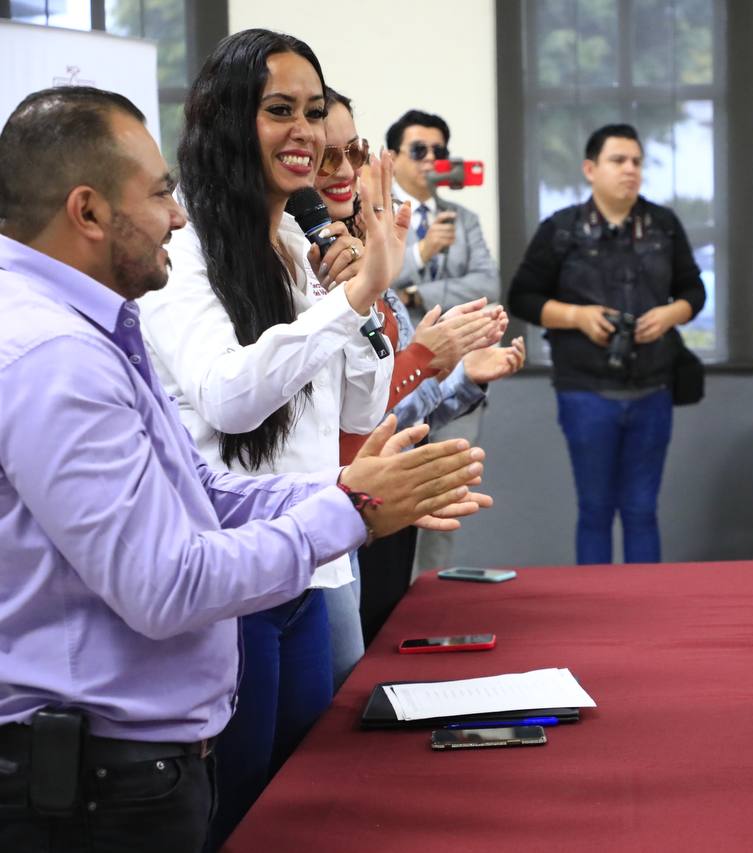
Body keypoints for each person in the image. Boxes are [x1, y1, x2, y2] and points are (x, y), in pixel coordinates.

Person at [0, 85, 488, 853]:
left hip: (128, 760)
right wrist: (346, 511)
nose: (177, 212)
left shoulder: (91, 323)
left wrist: (342, 490)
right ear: (88, 212)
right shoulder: (56, 354)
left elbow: (195, 486)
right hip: (98, 786)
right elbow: (168, 583)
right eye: (160, 193)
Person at [134, 29, 416, 845]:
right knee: (240, 804)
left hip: (309, 561)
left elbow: (352, 408)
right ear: (226, 120)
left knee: (299, 788)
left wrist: (360, 297)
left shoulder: (296, 243)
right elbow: (230, 399)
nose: (306, 132)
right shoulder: (184, 255)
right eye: (279, 111)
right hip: (232, 577)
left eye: (314, 111)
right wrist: (352, 298)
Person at [320, 89, 525, 646]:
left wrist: (461, 375)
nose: (345, 171)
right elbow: (365, 399)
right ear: (392, 158)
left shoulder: (424, 230)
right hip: (336, 485)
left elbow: (484, 285)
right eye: (327, 155)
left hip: (393, 448)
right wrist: (412, 267)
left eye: (352, 153)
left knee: (409, 586)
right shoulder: (328, 259)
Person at [508, 123, 705, 564]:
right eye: (619, 161)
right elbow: (521, 296)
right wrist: (576, 316)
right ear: (590, 169)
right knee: (595, 510)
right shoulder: (561, 229)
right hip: (584, 391)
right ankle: (596, 618)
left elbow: (694, 290)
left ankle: (645, 616)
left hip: (653, 388)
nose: (630, 170)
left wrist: (671, 314)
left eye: (636, 161)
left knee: (641, 511)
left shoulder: (663, 225)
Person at [386, 108, 501, 579]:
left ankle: (428, 598)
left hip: (456, 379)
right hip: (394, 380)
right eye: (419, 150)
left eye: (440, 151)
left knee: (446, 501)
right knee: (391, 506)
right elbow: (373, 285)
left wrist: (417, 294)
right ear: (393, 157)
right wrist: (421, 253)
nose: (431, 159)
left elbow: (485, 283)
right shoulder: (374, 216)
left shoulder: (462, 217)